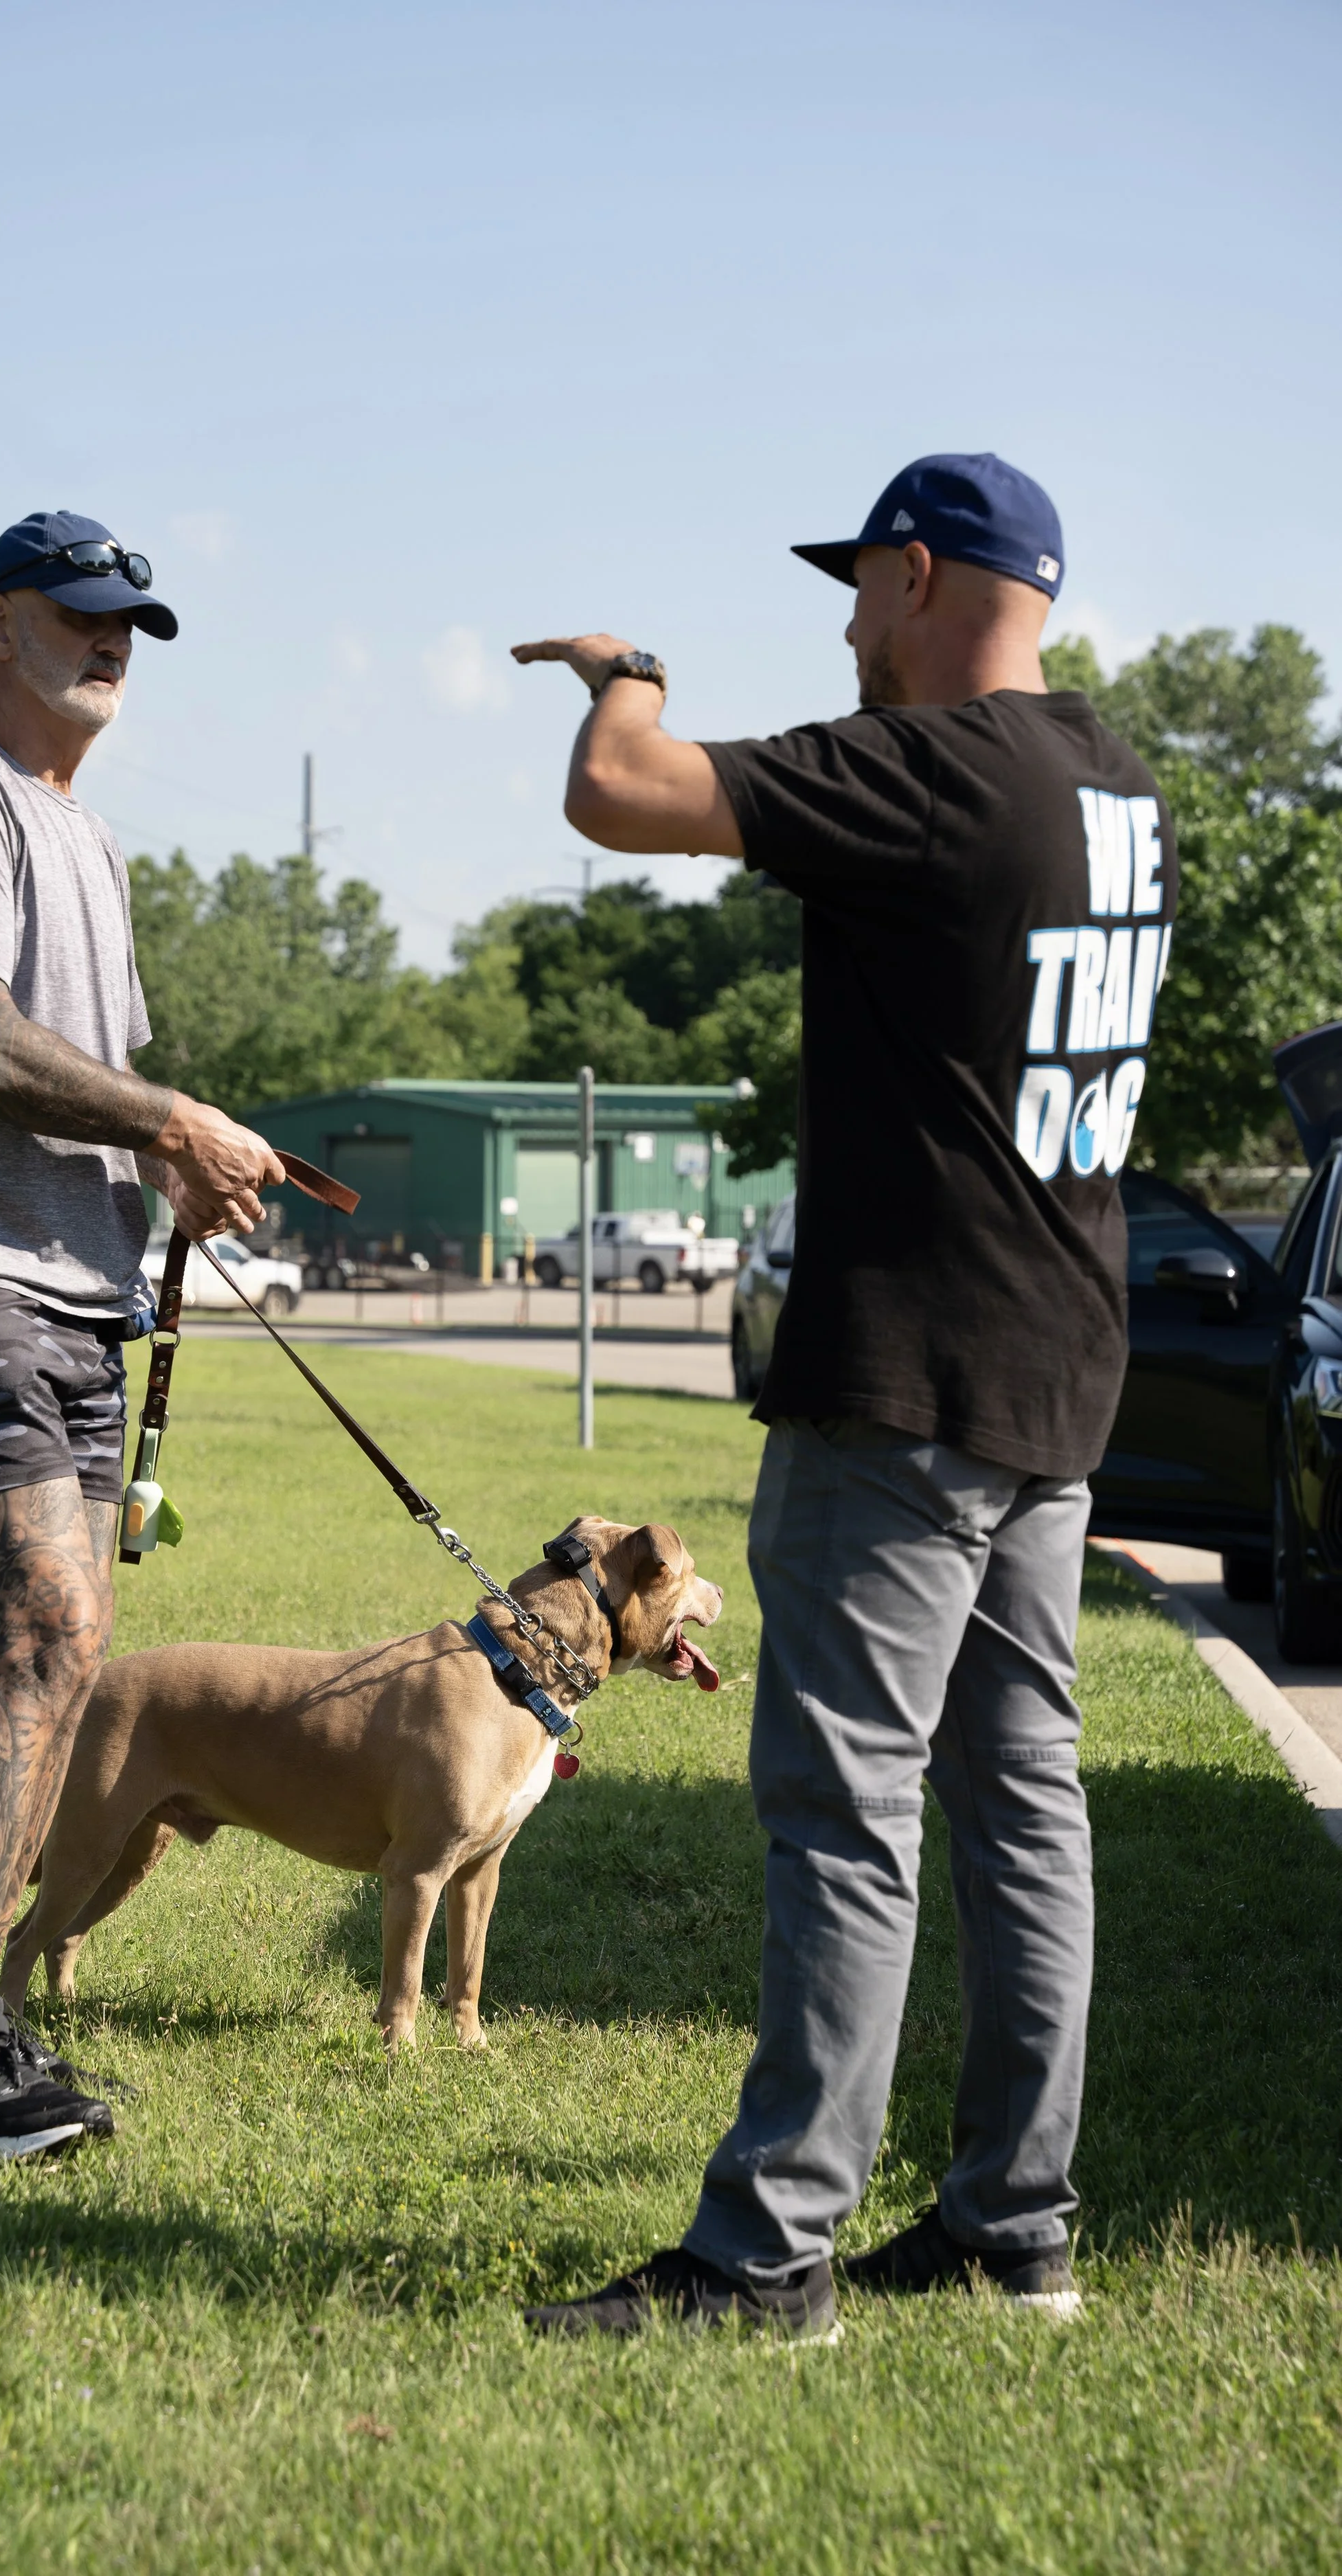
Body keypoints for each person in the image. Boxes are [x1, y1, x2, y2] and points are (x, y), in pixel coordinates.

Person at [511, 453, 1176, 2339]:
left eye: (852, 591)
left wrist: (622, 669)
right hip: (1053, 1365)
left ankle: (767, 2253)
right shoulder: (1116, 783)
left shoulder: (930, 767)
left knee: (840, 1811)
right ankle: (1008, 2225)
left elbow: (617, 793)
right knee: (1022, 1802)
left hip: (903, 1381)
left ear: (910, 572)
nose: (839, 630)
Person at [0, 510, 283, 2158]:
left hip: (78, 1292)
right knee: (42, 1626)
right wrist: (174, 1111)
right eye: (84, 613)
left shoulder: (84, 840)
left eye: (134, 623)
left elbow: (84, 1092)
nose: (114, 642)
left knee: (70, 1653)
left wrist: (176, 1171)